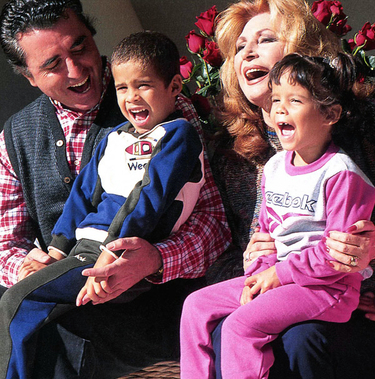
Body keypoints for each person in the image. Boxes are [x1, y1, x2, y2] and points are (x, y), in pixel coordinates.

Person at [0, 1, 231, 377]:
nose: (76, 71)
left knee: (56, 337)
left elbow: (216, 226)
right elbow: (6, 244)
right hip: (66, 284)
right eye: (52, 64)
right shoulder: (15, 137)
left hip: (147, 310)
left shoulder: (164, 111)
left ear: (94, 37)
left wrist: (154, 260)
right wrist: (29, 266)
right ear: (28, 76)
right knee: (24, 315)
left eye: (80, 48)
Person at [205, 0, 375, 377]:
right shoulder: (230, 153)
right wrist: (251, 262)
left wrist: (370, 258)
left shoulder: (360, 135)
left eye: (265, 39)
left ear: (302, 54)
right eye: (239, 47)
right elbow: (216, 256)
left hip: (340, 301)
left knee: (303, 339)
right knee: (219, 328)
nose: (248, 51)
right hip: (272, 291)